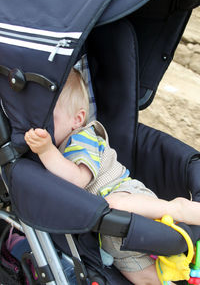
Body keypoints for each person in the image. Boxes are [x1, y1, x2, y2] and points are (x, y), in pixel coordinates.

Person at [24, 68, 200, 285]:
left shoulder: (80, 139)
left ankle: (179, 208)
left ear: (77, 119)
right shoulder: (62, 146)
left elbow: (79, 179)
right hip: (112, 234)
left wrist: (46, 151)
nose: (42, 126)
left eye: (49, 118)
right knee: (144, 278)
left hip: (125, 196)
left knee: (113, 203)